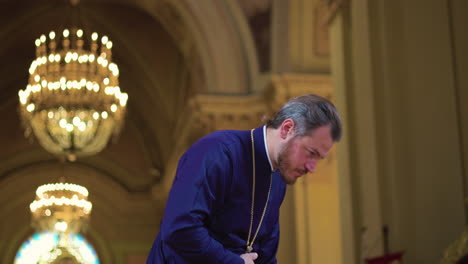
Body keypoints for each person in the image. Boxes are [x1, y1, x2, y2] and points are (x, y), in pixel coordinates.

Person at [146, 94, 342, 264]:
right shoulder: (216, 152)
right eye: (310, 153)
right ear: (286, 129)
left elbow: (266, 252)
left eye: (319, 158)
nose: (312, 167)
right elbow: (180, 228)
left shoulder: (278, 179)